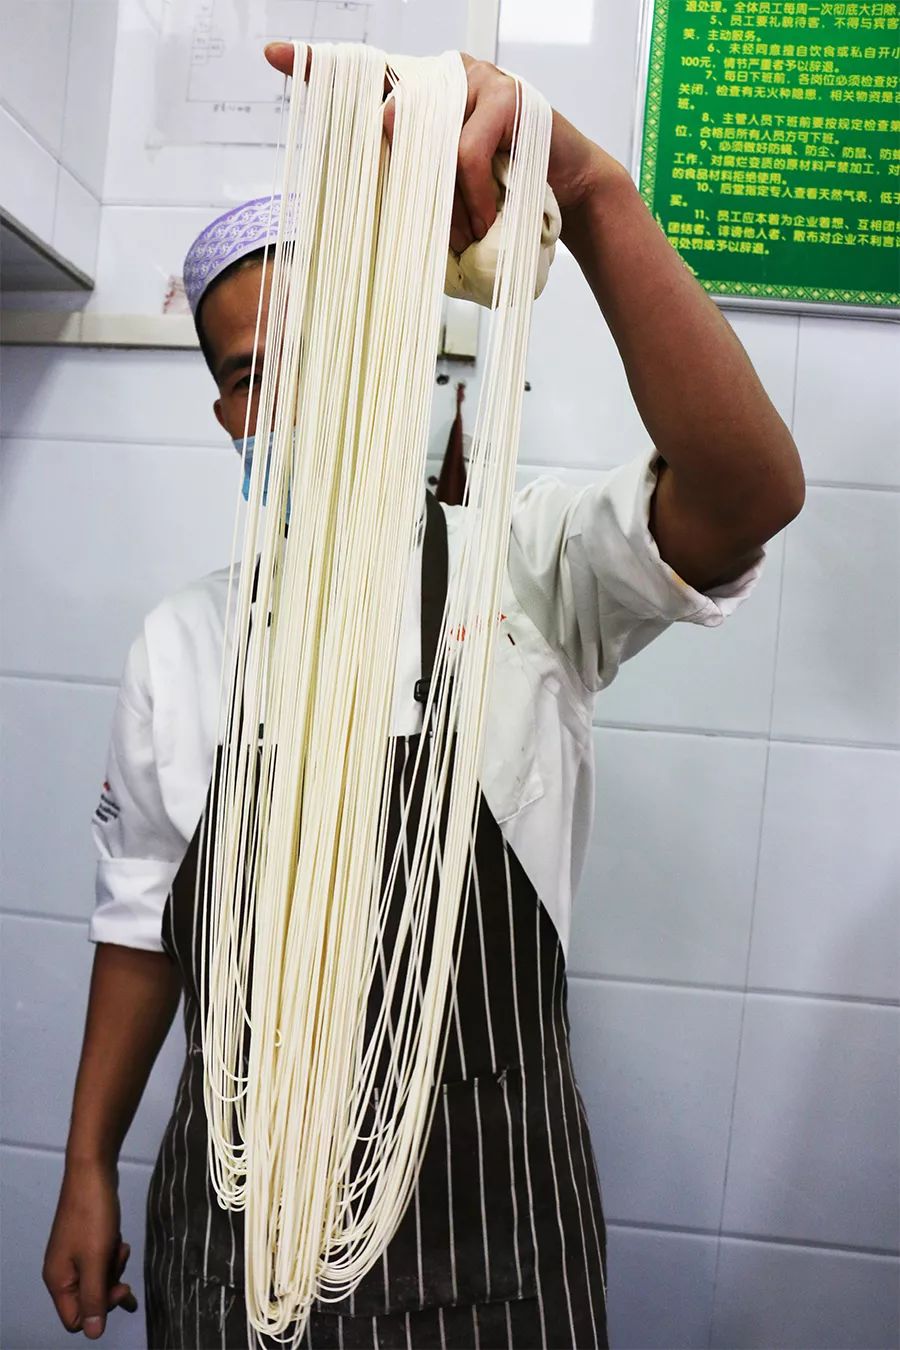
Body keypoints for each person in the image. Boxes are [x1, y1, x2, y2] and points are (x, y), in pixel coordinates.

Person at [42, 45, 804, 1350]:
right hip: (231, 1251)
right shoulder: (184, 642)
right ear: (228, 416)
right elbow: (142, 925)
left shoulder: (524, 572)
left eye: (323, 345)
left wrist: (593, 194)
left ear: (390, 351)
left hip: (494, 1263)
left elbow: (748, 493)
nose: (292, 392)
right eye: (252, 370)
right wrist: (85, 1161)